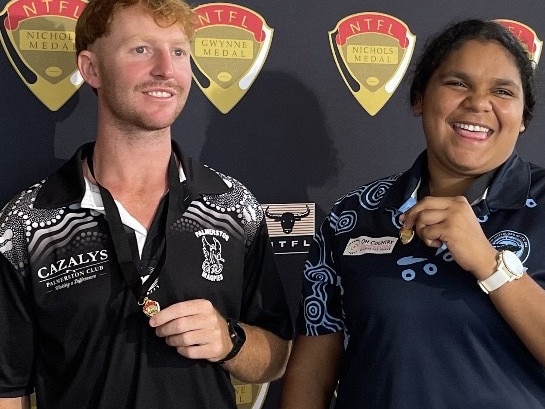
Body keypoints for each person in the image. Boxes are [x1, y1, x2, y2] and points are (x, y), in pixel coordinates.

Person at [0, 0, 293, 408]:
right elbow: (7, 390)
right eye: (141, 49)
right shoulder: (27, 223)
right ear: (91, 69)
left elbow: (277, 358)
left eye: (178, 52)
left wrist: (230, 340)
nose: (166, 70)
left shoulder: (232, 206)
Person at [280, 19, 545, 409]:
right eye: (458, 83)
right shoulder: (353, 216)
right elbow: (311, 375)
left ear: (523, 118)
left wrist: (492, 266)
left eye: (502, 91)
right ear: (419, 98)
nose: (478, 103)